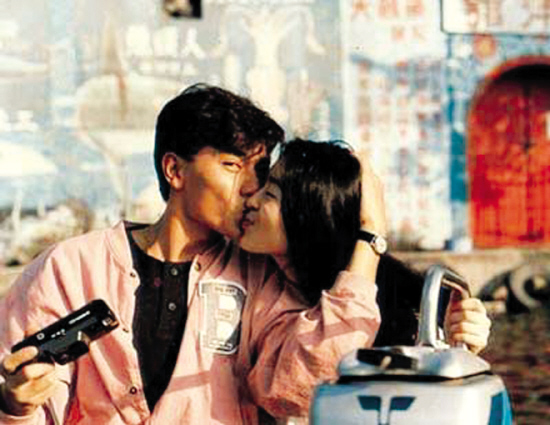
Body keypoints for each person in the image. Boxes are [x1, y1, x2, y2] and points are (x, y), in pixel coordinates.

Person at [0, 84, 382, 424]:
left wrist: (370, 238)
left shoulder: (259, 277)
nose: (251, 186)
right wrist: (15, 406)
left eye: (259, 170)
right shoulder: (70, 268)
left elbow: (302, 383)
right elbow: (25, 391)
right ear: (174, 170)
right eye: (232, 165)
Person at [238, 139, 491, 422]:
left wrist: (462, 346)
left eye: (270, 194)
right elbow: (297, 382)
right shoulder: (261, 283)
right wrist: (372, 235)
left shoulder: (399, 298)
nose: (251, 200)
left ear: (308, 214)